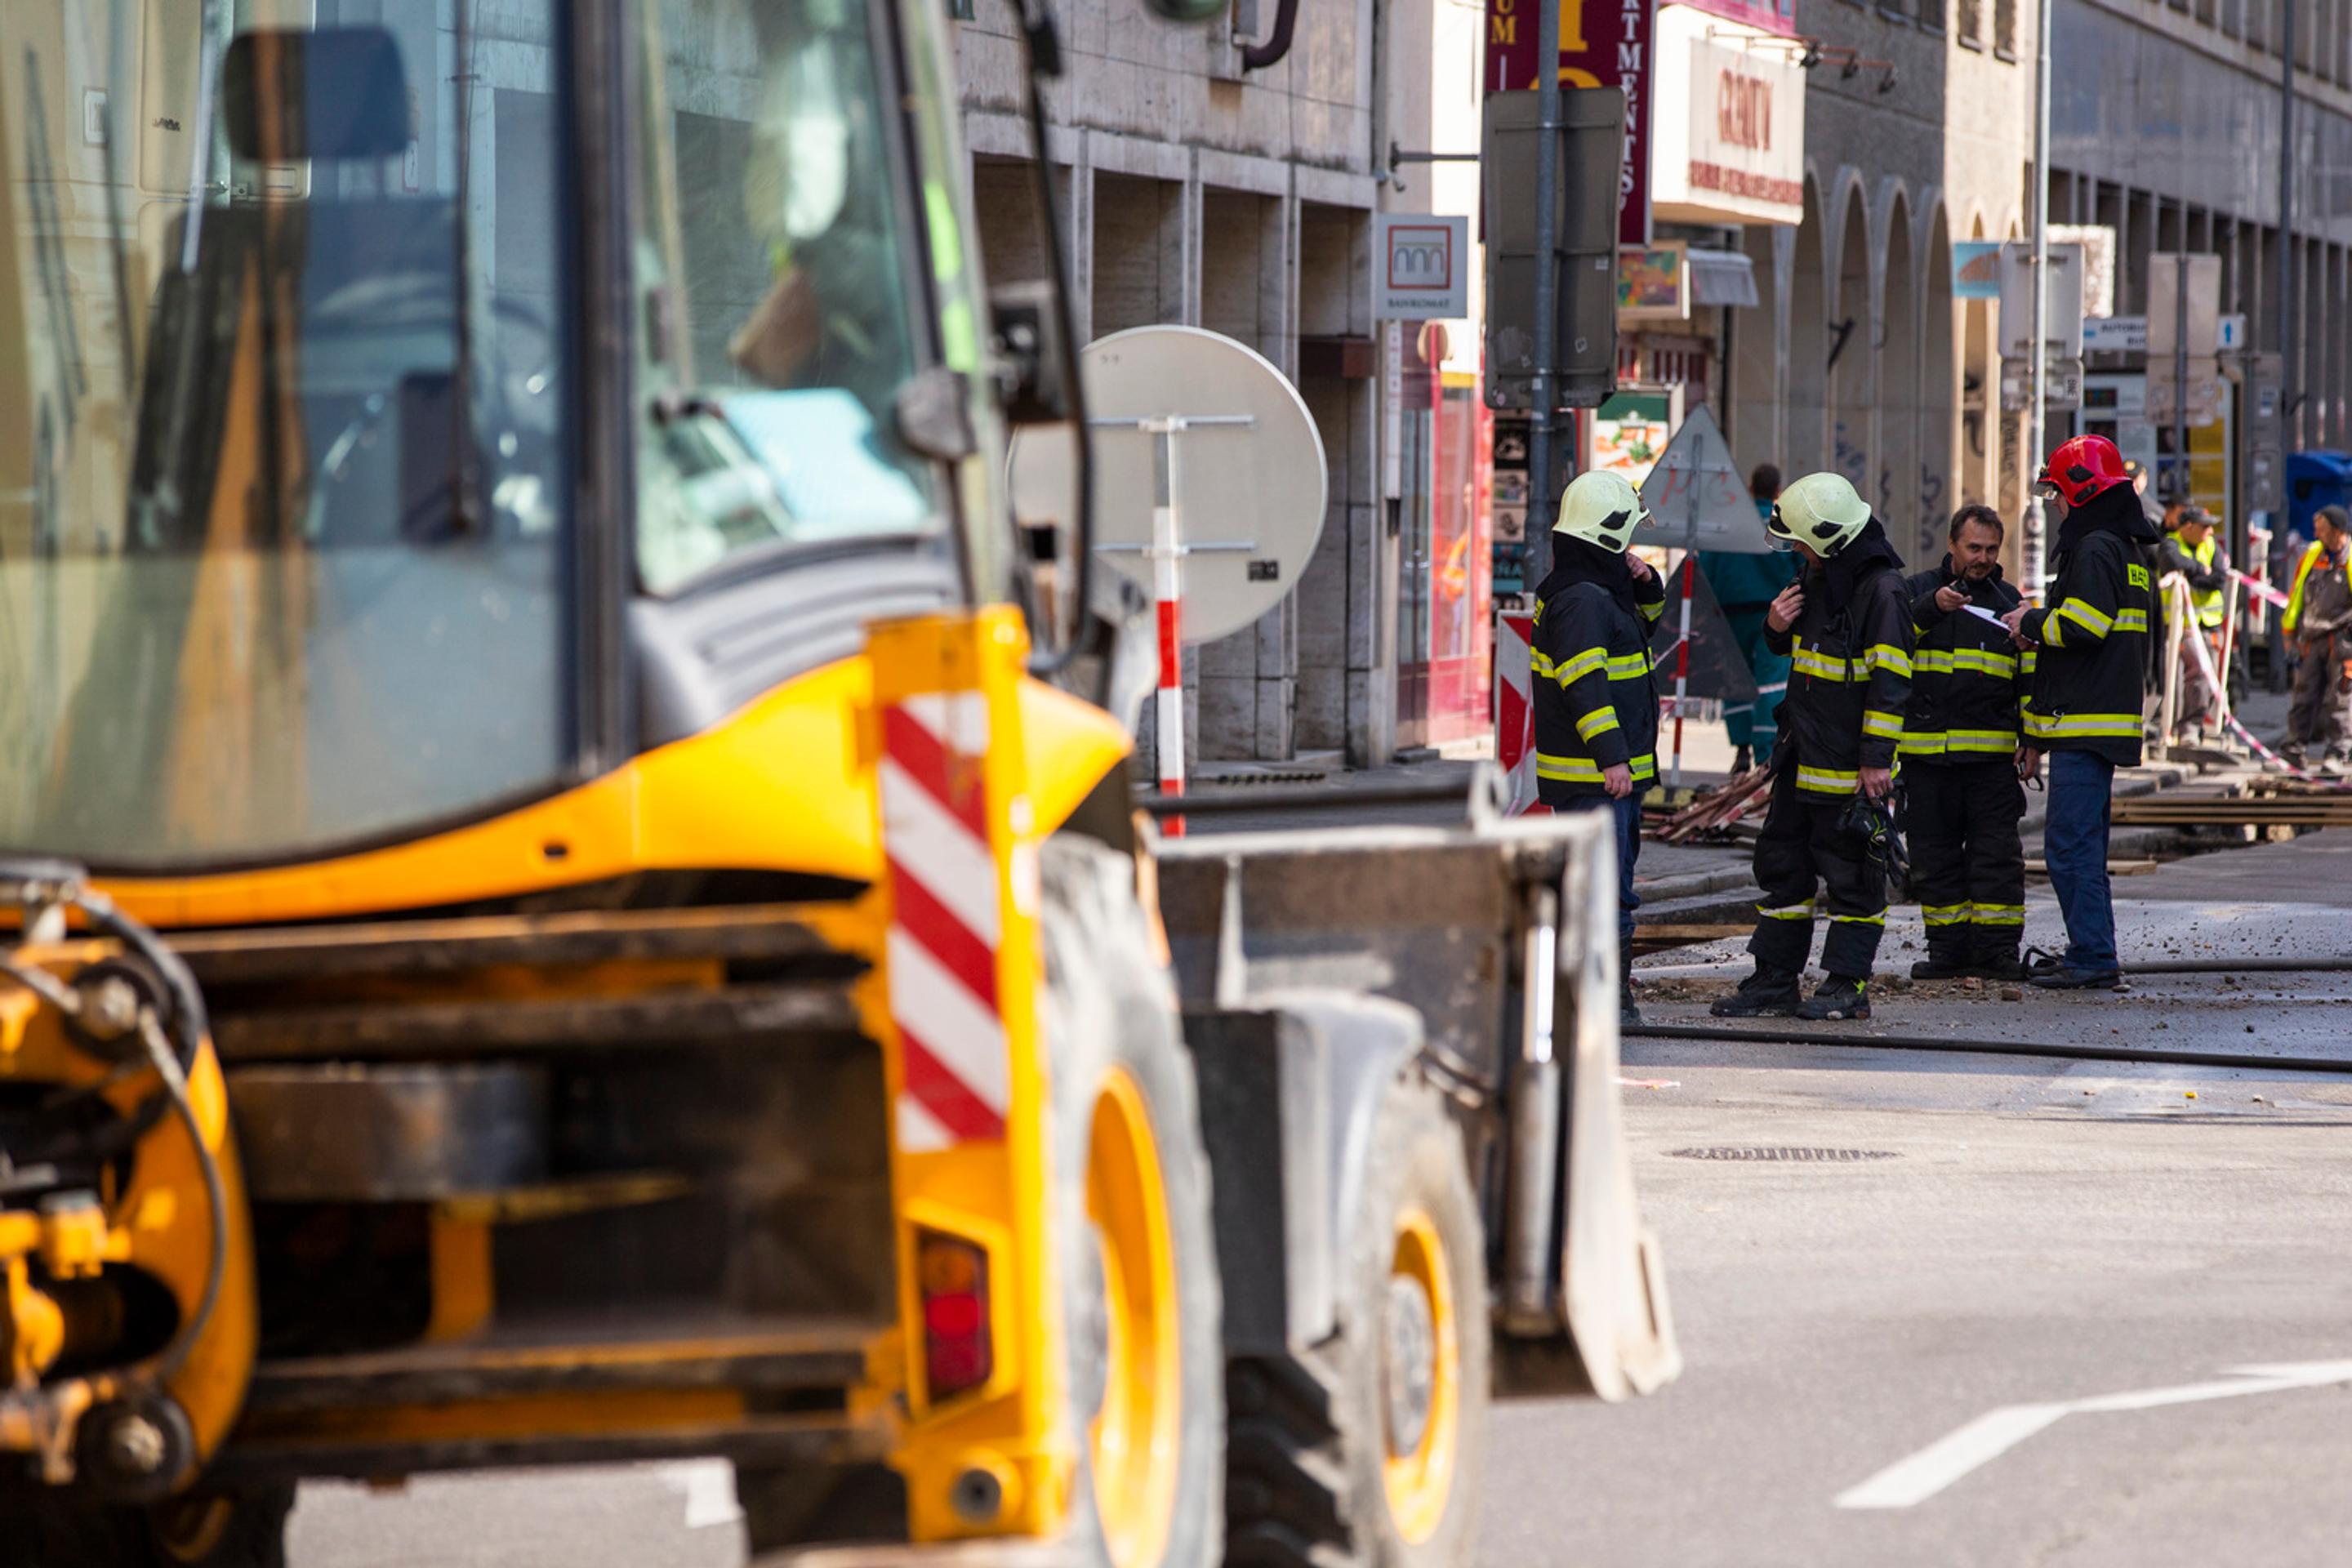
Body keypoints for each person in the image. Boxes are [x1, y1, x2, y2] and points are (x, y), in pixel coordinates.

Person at [1711, 472, 1913, 1022]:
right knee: (1783, 868)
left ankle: (1847, 985)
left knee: (1853, 878)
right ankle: (1775, 980)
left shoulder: (1883, 592)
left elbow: (1891, 683)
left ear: (1830, 539)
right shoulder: (1819, 576)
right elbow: (1796, 650)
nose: (1796, 552)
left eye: (1801, 543)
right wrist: (1774, 627)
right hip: (1800, 757)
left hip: (1849, 769)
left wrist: (1876, 761)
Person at [2000, 434, 2158, 991]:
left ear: (2082, 492)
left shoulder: (2093, 548)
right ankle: (2092, 950)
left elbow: (2084, 627)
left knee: (2068, 847)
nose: (2057, 507)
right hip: (2101, 718)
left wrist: (2029, 622)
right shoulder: (2128, 551)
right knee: (2083, 846)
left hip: (2085, 723)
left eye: (2058, 495)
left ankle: (2091, 956)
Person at [1531, 469, 1668, 1025]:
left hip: (1609, 777)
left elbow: (1638, 631)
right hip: (1596, 778)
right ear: (1606, 535)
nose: (1631, 546)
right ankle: (1605, 999)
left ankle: (1598, 995)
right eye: (1627, 536)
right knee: (1605, 893)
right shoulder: (1582, 602)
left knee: (1609, 889)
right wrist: (1612, 757)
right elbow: (1585, 687)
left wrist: (1647, 583)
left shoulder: (1597, 590)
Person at [1900, 505, 2031, 981]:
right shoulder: (1915, 592)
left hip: (1991, 761)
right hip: (1926, 758)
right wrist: (1932, 609)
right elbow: (1890, 644)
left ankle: (1997, 951)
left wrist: (2032, 740)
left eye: (1991, 549)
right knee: (1933, 859)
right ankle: (1947, 950)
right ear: (1951, 545)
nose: (1983, 558)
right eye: (1974, 548)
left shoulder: (2009, 601)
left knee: (1997, 859)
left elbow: (2028, 677)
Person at [1700, 465, 1800, 773]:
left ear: (1750, 488)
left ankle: (1741, 750)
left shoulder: (1731, 523)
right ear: (1777, 492)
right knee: (1771, 683)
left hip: (1730, 615)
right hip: (1775, 616)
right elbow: (1800, 565)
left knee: (1737, 682)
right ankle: (1766, 754)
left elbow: (1707, 566)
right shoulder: (1782, 524)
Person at [2281, 504, 2352, 772]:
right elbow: (2296, 595)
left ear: (2337, 531)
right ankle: (2293, 750)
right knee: (2304, 696)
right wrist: (2289, 633)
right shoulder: (2312, 555)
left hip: (2342, 641)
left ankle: (2337, 752)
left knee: (2340, 699)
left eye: (2321, 529)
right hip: (2311, 639)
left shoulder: (2350, 558)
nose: (2316, 534)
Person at [2154, 505, 2228, 742]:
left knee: (2204, 678)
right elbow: (2172, 562)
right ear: (2188, 527)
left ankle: (2192, 727)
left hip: (2208, 626)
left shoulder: (2212, 546)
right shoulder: (2170, 544)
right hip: (2179, 625)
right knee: (2181, 678)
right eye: (2205, 527)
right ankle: (2175, 728)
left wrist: (2193, 575)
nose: (2210, 532)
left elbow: (2219, 579)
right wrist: (2201, 570)